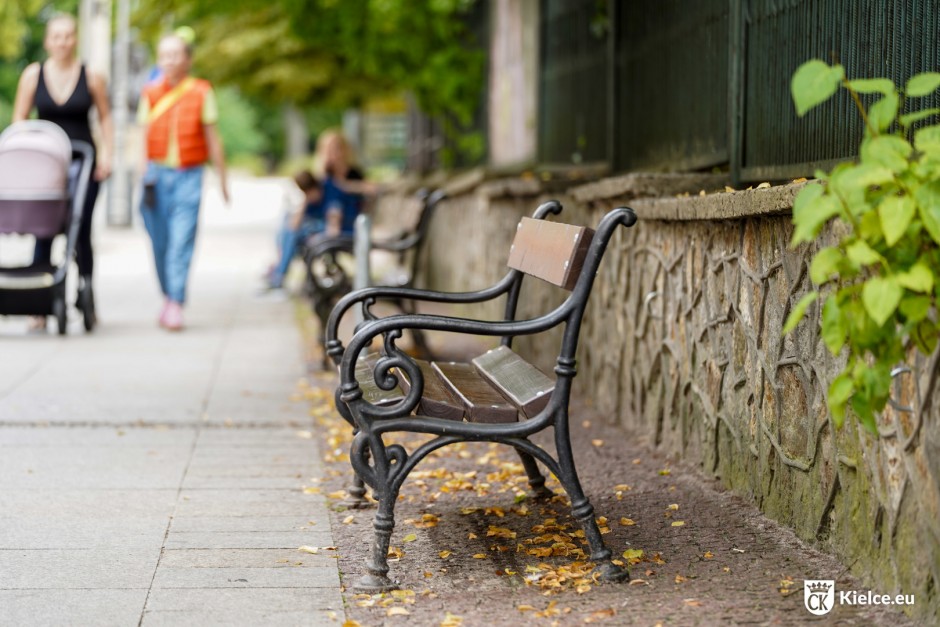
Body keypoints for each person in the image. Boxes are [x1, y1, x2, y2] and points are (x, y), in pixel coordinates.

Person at [12, 13, 113, 330]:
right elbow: (20, 119)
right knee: (43, 228)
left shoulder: (91, 76)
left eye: (68, 36)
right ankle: (38, 302)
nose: (62, 42)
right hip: (45, 166)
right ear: (47, 41)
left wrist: (107, 155)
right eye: (56, 36)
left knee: (81, 231)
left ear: (75, 39)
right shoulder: (33, 75)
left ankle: (85, 291)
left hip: (83, 164)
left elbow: (105, 118)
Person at [138, 33, 228, 331]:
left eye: (176, 55)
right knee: (160, 241)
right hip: (156, 175)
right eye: (164, 55)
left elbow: (213, 139)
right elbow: (142, 137)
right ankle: (168, 295)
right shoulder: (149, 93)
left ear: (188, 59)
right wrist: (142, 173)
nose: (170, 61)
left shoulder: (202, 92)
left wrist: (223, 178)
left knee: (181, 240)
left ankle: (175, 301)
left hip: (189, 175)